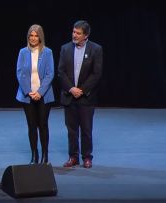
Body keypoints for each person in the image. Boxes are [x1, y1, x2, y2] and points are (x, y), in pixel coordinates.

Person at [58, 20, 103, 168]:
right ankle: (73, 157)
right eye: (73, 32)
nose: (74, 35)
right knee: (71, 130)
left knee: (86, 129)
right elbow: (61, 72)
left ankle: (87, 157)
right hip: (69, 95)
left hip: (86, 97)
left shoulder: (96, 49)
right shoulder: (65, 48)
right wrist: (71, 88)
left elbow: (96, 74)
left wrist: (81, 90)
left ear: (86, 35)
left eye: (78, 33)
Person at [16, 24, 55, 165]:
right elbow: (20, 73)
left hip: (44, 95)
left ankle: (45, 155)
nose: (33, 38)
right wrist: (29, 92)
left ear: (40, 37)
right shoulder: (23, 52)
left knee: (43, 125)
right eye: (31, 35)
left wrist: (40, 92)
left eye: (36, 35)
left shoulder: (47, 52)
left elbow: (50, 74)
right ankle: (34, 154)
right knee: (31, 126)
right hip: (28, 95)